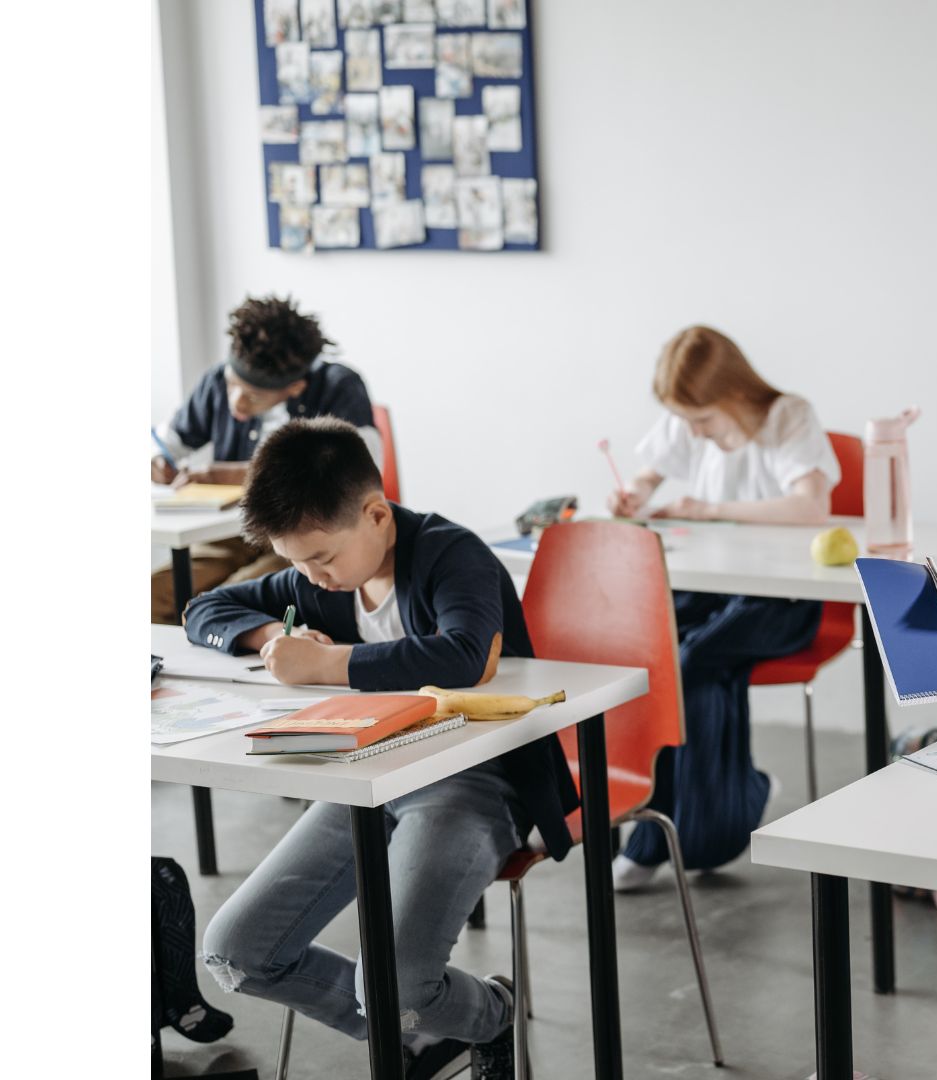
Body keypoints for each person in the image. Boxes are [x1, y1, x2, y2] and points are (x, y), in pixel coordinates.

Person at [184, 419, 571, 1080]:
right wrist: (270, 643)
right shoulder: (318, 579)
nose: (311, 578)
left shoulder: (454, 555)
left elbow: (465, 654)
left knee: (392, 982)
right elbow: (206, 609)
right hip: (366, 781)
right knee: (235, 953)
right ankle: (416, 1030)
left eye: (323, 558)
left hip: (474, 780)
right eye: (296, 562)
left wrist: (326, 665)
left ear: (376, 515)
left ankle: (487, 1015)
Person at [604, 325, 838, 889]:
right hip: (712, 588)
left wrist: (712, 509)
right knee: (651, 653)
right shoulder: (690, 419)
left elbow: (812, 505)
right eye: (685, 420)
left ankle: (665, 834)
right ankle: (729, 802)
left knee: (693, 660)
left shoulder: (788, 416)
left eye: (702, 420)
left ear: (733, 393)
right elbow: (648, 472)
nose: (693, 431)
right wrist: (634, 492)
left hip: (784, 599)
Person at [150, 294, 379, 624]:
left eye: (254, 396)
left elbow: (361, 473)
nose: (237, 404)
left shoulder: (339, 387)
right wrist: (159, 459)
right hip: (233, 533)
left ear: (296, 388)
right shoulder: (216, 382)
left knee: (222, 604)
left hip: (304, 539)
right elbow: (166, 439)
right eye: (233, 385)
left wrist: (230, 475)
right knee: (155, 594)